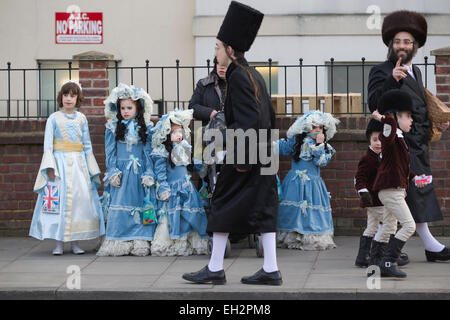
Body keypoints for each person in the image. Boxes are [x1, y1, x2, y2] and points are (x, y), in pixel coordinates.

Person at [182, 1, 281, 286]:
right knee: (264, 208)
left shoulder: (237, 76)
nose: (214, 52)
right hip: (262, 153)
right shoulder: (254, 74)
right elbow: (269, 117)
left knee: (222, 203)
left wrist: (230, 151)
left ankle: (215, 269)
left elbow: (249, 120)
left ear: (229, 49)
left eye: (217, 47)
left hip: (244, 155)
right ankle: (270, 269)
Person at [368, 10, 450, 262]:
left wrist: (434, 125)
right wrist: (391, 81)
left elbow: (418, 107)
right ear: (390, 45)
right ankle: (382, 249)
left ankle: (425, 245)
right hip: (397, 146)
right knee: (400, 197)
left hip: (419, 144)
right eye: (397, 41)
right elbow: (373, 105)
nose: (402, 46)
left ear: (415, 46)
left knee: (416, 194)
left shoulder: (416, 71)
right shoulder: (382, 70)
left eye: (407, 41)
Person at [29, 81, 105, 255]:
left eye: (72, 95)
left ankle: (75, 242)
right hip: (59, 165)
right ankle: (59, 243)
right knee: (60, 202)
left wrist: (90, 168)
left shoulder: (81, 119)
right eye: (65, 95)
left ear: (78, 98)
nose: (68, 99)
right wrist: (50, 166)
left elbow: (87, 145)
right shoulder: (54, 118)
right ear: (60, 97)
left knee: (78, 203)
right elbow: (48, 145)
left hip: (78, 166)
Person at [96, 83, 157, 257]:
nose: (125, 111)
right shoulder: (113, 128)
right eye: (122, 108)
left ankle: (141, 239)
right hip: (122, 173)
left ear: (138, 108)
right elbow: (110, 152)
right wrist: (113, 170)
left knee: (140, 202)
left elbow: (148, 154)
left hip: (139, 173)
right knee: (120, 201)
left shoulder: (146, 128)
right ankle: (119, 240)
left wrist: (149, 172)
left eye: (129, 107)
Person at [371, 89, 426, 278]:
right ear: (395, 116)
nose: (411, 120)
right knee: (409, 226)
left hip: (394, 190)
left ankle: (375, 262)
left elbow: (400, 167)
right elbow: (390, 124)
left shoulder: (400, 139)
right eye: (408, 116)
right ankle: (389, 261)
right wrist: (383, 117)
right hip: (390, 190)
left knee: (389, 227)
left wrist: (414, 178)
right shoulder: (390, 135)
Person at [276, 111, 339, 251]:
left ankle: (311, 236)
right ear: (306, 128)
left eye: (321, 128)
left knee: (311, 210)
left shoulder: (324, 148)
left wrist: (319, 145)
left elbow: (321, 162)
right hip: (294, 183)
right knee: (294, 211)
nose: (318, 130)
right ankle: (292, 235)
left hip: (313, 184)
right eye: (314, 127)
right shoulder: (296, 143)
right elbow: (284, 148)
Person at [150, 109, 209, 256]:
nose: (178, 135)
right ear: (166, 134)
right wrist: (164, 189)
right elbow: (161, 174)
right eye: (174, 132)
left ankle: (191, 240)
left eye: (180, 131)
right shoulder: (162, 152)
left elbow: (188, 164)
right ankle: (175, 242)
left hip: (187, 188)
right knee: (174, 217)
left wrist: (200, 165)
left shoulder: (184, 147)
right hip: (173, 190)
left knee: (189, 216)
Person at [189, 57, 227, 126]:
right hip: (208, 130)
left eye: (225, 64)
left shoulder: (238, 85)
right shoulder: (203, 84)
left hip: (233, 132)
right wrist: (210, 113)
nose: (221, 67)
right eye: (218, 63)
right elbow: (192, 107)